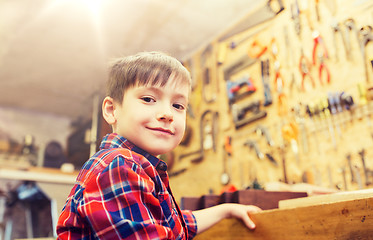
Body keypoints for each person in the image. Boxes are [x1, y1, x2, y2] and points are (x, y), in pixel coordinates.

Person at [57, 51, 261, 239]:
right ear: (112, 110)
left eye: (178, 105)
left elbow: (176, 225)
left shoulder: (138, 168)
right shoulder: (118, 166)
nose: (168, 114)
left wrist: (226, 210)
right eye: (148, 99)